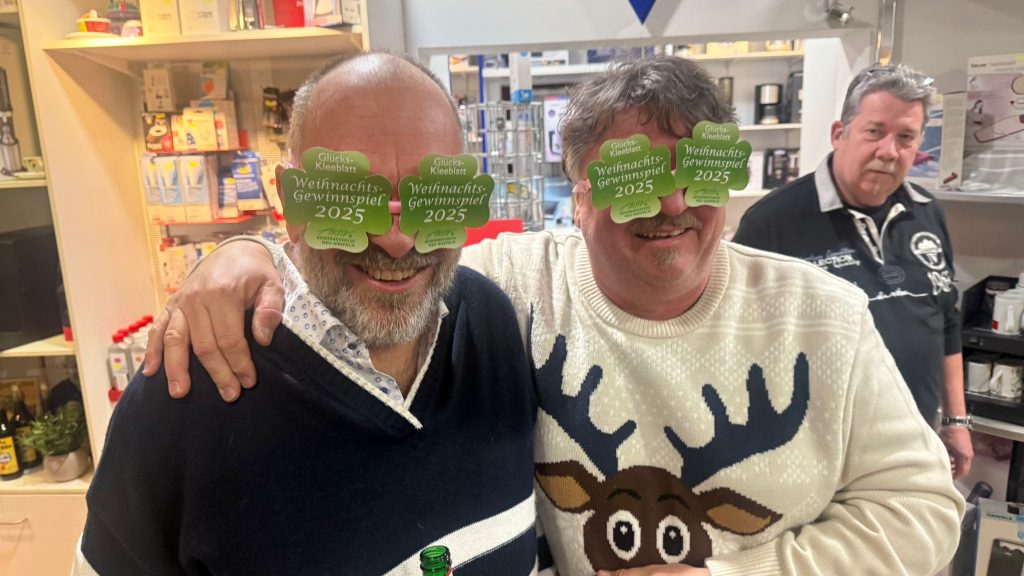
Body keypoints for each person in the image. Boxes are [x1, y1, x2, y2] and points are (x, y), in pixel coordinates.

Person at [146, 55, 964, 575]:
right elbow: (391, 257)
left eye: (697, 173)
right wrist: (249, 253)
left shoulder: (825, 316)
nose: (671, 205)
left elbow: (926, 508)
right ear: (578, 195)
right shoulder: (508, 286)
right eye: (634, 178)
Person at [75, 53, 538, 575]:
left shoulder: (494, 328)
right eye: (349, 195)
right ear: (288, 201)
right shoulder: (187, 388)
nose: (397, 239)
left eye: (431, 196)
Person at [732, 63, 974, 480]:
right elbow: (736, 342)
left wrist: (955, 420)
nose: (889, 151)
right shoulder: (771, 223)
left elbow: (946, 321)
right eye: (874, 132)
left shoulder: (928, 213)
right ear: (839, 134)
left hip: (911, 444)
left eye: (905, 137)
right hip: (814, 458)